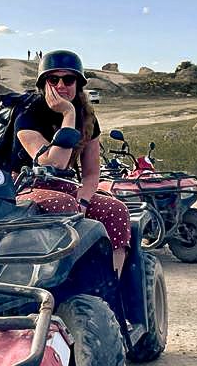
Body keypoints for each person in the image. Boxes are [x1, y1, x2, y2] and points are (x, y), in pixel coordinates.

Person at [13, 50, 131, 274]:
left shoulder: (87, 119)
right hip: (25, 186)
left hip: (65, 187)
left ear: (78, 84)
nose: (61, 85)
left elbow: (91, 173)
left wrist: (84, 202)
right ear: (43, 84)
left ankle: (108, 285)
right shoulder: (28, 116)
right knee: (63, 206)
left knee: (116, 210)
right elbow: (54, 164)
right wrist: (68, 113)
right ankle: (56, 282)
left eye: (68, 79)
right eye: (53, 79)